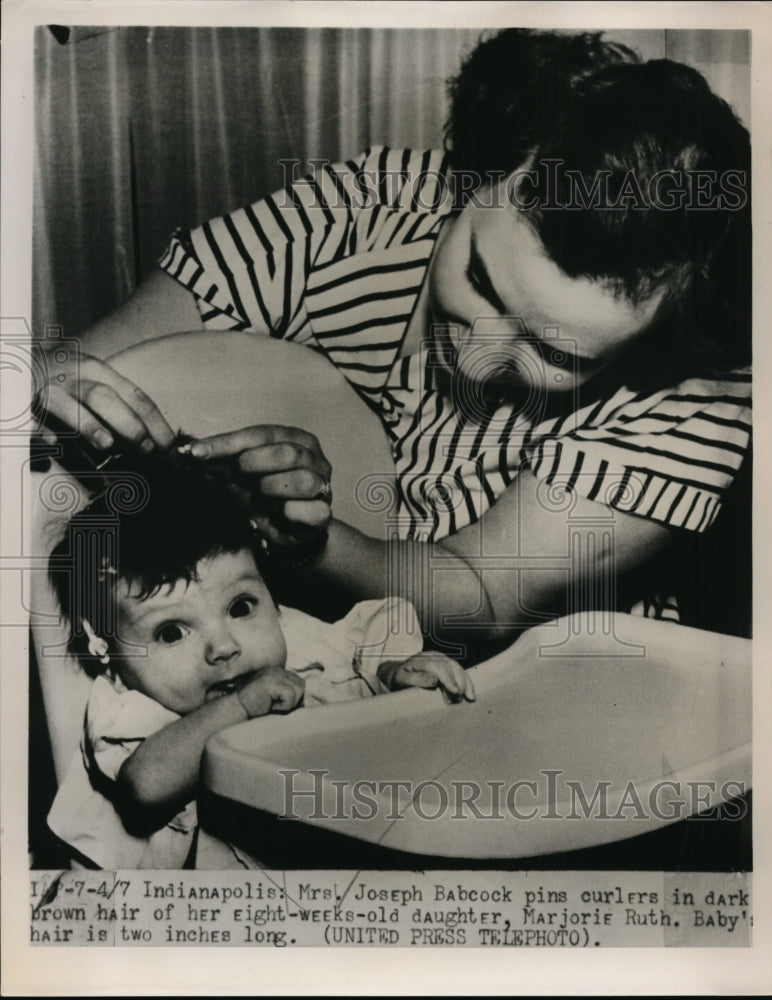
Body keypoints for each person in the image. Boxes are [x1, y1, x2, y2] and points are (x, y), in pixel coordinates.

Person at [36, 29, 752, 663]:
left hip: (548, 698)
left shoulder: (698, 392)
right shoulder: (366, 209)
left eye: (560, 354)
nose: (479, 358)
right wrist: (57, 386)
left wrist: (306, 538)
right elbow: (82, 368)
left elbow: (477, 597)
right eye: (480, 279)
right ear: (486, 172)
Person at [45, 445, 474, 869]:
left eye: (240, 607)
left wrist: (395, 673)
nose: (225, 647)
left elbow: (362, 642)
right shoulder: (131, 710)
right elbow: (144, 786)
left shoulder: (293, 636)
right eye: (172, 632)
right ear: (104, 646)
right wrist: (241, 706)